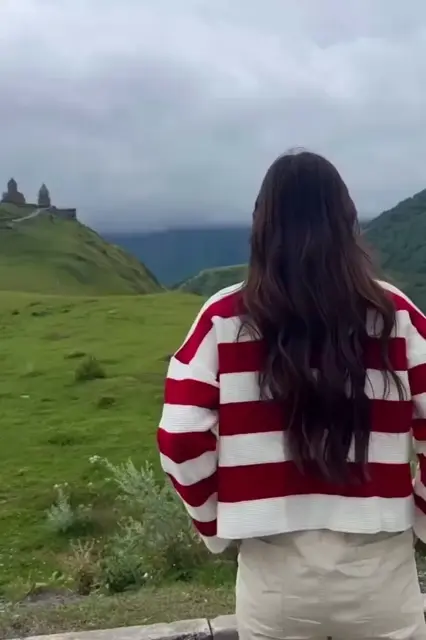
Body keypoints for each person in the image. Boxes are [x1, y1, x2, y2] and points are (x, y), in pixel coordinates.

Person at [157, 150, 426, 640]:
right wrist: (422, 517)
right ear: (347, 222)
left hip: (273, 576)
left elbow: (179, 437)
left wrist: (214, 522)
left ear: (262, 227)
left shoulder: (221, 319)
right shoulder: (398, 315)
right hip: (381, 573)